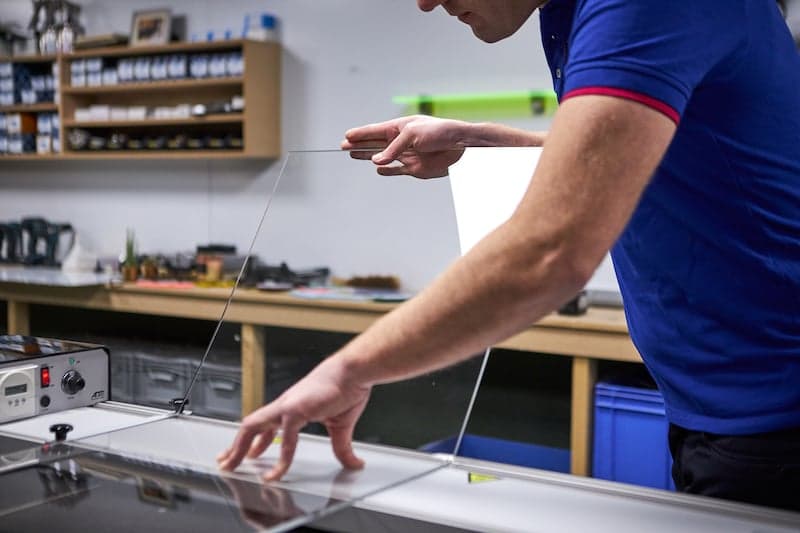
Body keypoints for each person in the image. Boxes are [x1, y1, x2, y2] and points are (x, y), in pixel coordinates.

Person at [219, 0, 800, 511]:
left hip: (773, 420)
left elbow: (551, 249)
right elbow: (638, 154)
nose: (424, 2)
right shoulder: (569, 11)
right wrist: (481, 141)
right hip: (718, 408)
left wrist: (348, 369)